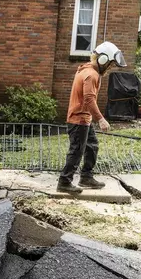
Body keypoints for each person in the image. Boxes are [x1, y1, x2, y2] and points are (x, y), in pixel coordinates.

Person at [57, 42, 127, 194]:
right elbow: (89, 99)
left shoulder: (87, 70)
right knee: (76, 151)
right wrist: (101, 119)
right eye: (109, 64)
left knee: (92, 145)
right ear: (102, 60)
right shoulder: (91, 74)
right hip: (79, 119)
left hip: (84, 119)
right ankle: (64, 181)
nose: (109, 68)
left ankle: (86, 177)